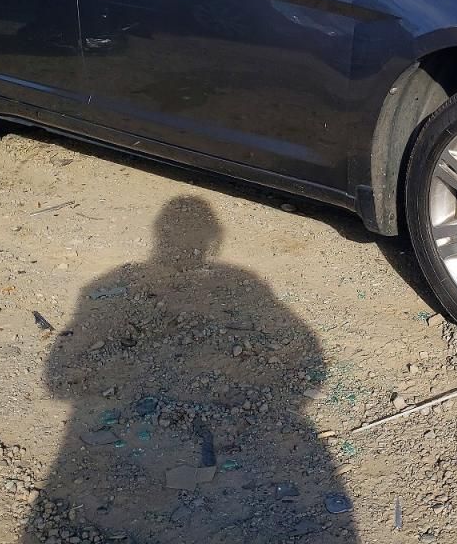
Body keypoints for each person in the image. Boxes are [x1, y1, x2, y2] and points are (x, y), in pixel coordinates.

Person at [23, 194, 357, 543]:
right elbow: (312, 361)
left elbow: (56, 381)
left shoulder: (107, 284)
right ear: (214, 241)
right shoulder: (241, 281)